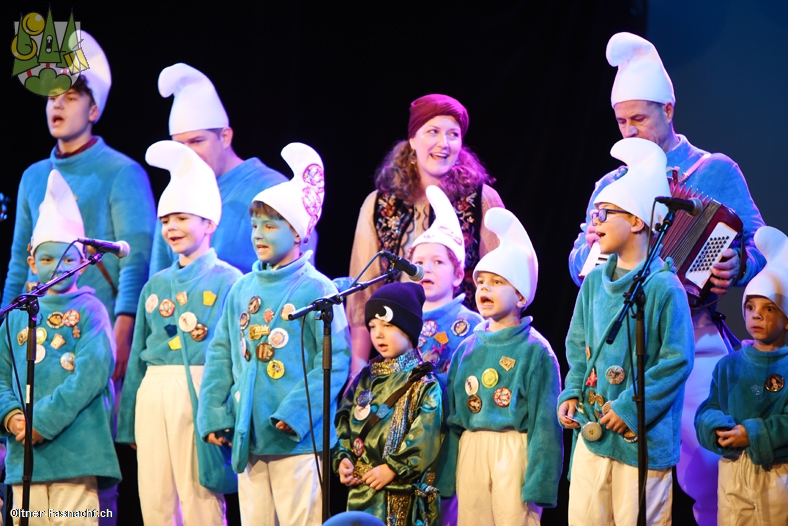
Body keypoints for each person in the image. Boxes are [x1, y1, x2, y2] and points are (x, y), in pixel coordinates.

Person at [566, 32, 766, 525]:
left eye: (639, 119)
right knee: (619, 481)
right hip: (622, 349)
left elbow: (760, 241)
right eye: (621, 121)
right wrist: (590, 252)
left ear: (668, 109)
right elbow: (577, 263)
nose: (630, 130)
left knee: (711, 470)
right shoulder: (611, 185)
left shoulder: (713, 171)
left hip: (694, 335)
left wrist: (737, 265)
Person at [197, 143, 350, 526]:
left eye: (270, 225)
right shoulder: (242, 288)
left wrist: (296, 414)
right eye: (254, 226)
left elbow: (334, 361)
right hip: (250, 437)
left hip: (296, 440)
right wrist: (213, 414)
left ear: (297, 233)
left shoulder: (317, 288)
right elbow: (221, 355)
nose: (258, 234)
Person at [2, 32, 156, 385]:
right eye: (52, 98)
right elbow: (18, 262)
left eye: (70, 97)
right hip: (36, 331)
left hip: (93, 331)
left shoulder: (122, 172)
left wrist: (124, 330)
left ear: (93, 110)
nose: (57, 106)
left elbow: (134, 259)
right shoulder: (33, 175)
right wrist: (5, 324)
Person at [558, 138, 695, 525]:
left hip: (640, 442)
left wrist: (630, 408)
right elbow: (578, 345)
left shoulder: (664, 287)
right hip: (593, 435)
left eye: (604, 214)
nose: (594, 223)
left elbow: (676, 360)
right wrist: (572, 392)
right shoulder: (593, 281)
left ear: (636, 221)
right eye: (594, 214)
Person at [116, 141, 242, 524]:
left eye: (182, 218)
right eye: (166, 220)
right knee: (155, 496)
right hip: (154, 392)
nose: (171, 227)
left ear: (209, 223)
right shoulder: (155, 285)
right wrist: (128, 420)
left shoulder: (230, 280)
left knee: (199, 495)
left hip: (201, 389)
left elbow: (235, 355)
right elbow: (138, 359)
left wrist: (226, 411)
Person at [347, 94, 505, 376]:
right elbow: (362, 297)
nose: (444, 143)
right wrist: (356, 368)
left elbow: (502, 285)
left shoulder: (481, 201)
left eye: (453, 134)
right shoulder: (379, 205)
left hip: (464, 351)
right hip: (399, 354)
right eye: (433, 132)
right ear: (412, 139)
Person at [0, 170, 120, 524]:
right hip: (25, 456)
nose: (57, 268)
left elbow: (90, 376)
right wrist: (12, 415)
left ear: (82, 263)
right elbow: (2, 374)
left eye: (68, 260)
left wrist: (42, 421)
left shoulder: (91, 311)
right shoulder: (17, 314)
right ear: (31, 261)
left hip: (77, 455)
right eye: (48, 259)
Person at [439, 207, 563, 525]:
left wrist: (541, 482)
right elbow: (454, 419)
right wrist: (446, 476)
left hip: (514, 450)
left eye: (497, 282)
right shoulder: (466, 349)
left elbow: (545, 425)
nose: (485, 289)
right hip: (472, 450)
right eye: (481, 282)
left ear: (520, 296)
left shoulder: (536, 351)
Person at [150, 63, 316, 276]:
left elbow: (298, 268)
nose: (187, 152)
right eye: (180, 145)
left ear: (225, 137)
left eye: (197, 141)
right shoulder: (176, 191)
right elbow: (159, 274)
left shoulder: (271, 187)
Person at [695, 225, 788, 525]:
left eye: (769, 308)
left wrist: (753, 433)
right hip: (733, 471)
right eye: (750, 306)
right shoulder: (729, 365)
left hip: (778, 474)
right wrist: (716, 428)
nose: (756, 315)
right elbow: (708, 408)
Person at [333, 282, 443, 525]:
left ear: (409, 329)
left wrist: (393, 468)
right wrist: (343, 458)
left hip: (400, 494)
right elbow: (343, 421)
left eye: (388, 325)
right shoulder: (365, 377)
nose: (378, 334)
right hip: (361, 490)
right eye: (372, 326)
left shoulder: (423, 383)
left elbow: (424, 438)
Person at [410, 185, 483, 387]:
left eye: (438, 262)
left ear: (458, 275)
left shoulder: (473, 324)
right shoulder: (403, 321)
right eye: (419, 263)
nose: (426, 269)